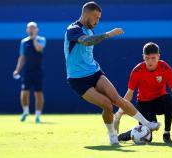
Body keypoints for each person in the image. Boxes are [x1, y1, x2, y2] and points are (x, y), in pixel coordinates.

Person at [63, 1, 160, 145]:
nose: (97, 21)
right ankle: (112, 136)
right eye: (96, 17)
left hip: (94, 72)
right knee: (107, 105)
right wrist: (109, 34)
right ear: (86, 14)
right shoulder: (73, 29)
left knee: (117, 99)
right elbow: (87, 42)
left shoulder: (90, 29)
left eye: (99, 18)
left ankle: (146, 123)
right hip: (78, 79)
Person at [114, 42, 172, 143]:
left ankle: (166, 134)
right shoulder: (137, 71)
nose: (150, 61)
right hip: (144, 104)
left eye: (153, 58)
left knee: (168, 99)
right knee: (146, 136)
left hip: (159, 102)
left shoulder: (165, 68)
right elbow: (129, 95)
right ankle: (122, 136)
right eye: (147, 58)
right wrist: (118, 115)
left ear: (158, 56)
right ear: (143, 57)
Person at [13, 22, 46, 123]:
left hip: (37, 71)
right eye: (30, 28)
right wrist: (17, 70)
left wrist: (34, 38)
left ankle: (37, 115)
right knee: (24, 93)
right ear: (27, 30)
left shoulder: (42, 40)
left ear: (37, 29)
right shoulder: (23, 42)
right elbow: (22, 57)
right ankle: (25, 111)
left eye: (33, 28)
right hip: (27, 71)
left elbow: (38, 48)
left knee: (38, 93)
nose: (31, 30)